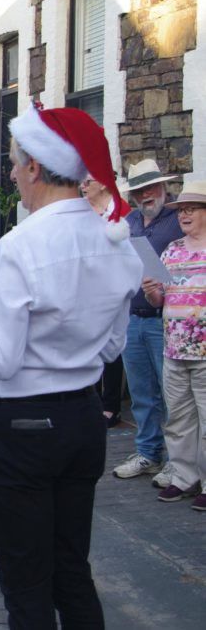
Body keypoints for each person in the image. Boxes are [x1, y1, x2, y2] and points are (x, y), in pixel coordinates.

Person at [0, 105, 141, 627]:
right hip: (82, 420)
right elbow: (110, 348)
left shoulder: (18, 248)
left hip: (24, 426)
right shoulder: (115, 243)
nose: (10, 173)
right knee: (72, 570)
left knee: (27, 582)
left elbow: (1, 362)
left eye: (14, 163)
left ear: (35, 167)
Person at [111, 159, 183, 482]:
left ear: (163, 187)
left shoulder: (178, 220)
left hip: (164, 319)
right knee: (142, 393)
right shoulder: (130, 221)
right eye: (139, 190)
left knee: (172, 396)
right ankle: (148, 452)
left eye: (151, 188)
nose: (145, 195)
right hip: (134, 317)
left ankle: (176, 460)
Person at [139, 182, 206, 511]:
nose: (185, 214)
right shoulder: (173, 249)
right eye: (181, 210)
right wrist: (152, 290)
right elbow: (159, 299)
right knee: (178, 418)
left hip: (205, 350)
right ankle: (184, 477)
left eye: (192, 208)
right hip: (174, 347)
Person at [81, 173, 132, 427]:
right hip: (88, 291)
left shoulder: (122, 211)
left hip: (113, 290)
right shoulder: (85, 213)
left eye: (88, 182)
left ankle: (111, 406)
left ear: (102, 183)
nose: (83, 186)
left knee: (112, 350)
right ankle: (93, 399)